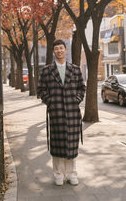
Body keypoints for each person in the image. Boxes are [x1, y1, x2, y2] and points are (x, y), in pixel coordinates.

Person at [37, 39, 86, 186]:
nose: (59, 51)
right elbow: (41, 90)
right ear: (53, 51)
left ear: (65, 50)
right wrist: (51, 102)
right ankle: (58, 175)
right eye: (56, 48)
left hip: (72, 112)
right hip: (56, 113)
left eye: (61, 48)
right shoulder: (47, 70)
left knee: (71, 144)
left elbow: (82, 88)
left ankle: (72, 174)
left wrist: (76, 100)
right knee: (57, 145)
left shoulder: (75, 69)